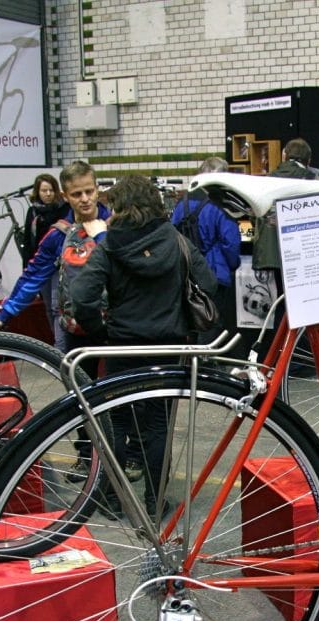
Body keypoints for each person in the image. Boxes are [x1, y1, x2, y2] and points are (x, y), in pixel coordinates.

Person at [69, 174, 216, 518]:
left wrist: (100, 331)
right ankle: (155, 501)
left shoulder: (109, 245)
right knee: (157, 427)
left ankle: (113, 500)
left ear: (121, 208)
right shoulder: (177, 240)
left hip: (122, 350)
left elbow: (82, 296)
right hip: (169, 349)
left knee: (118, 425)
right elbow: (208, 284)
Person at [0, 160, 110, 355]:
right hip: (76, 327)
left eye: (89, 191)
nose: (85, 199)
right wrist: (4, 315)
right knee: (77, 382)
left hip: (113, 324)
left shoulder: (117, 225)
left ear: (97, 189)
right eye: (77, 194)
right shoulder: (58, 234)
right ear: (65, 196)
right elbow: (33, 276)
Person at [171, 156, 241, 345]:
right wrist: (233, 265)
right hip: (215, 274)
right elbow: (230, 243)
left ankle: (192, 365)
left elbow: (172, 236)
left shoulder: (181, 203)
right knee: (212, 322)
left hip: (187, 274)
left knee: (192, 322)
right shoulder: (221, 206)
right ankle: (207, 366)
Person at [20, 172, 68, 339]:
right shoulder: (33, 212)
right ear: (37, 192)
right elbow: (28, 242)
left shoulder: (64, 209)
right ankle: (56, 338)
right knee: (48, 306)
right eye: (44, 191)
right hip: (41, 265)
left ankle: (61, 345)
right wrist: (27, 269)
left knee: (57, 306)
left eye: (51, 190)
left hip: (59, 264)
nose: (48, 194)